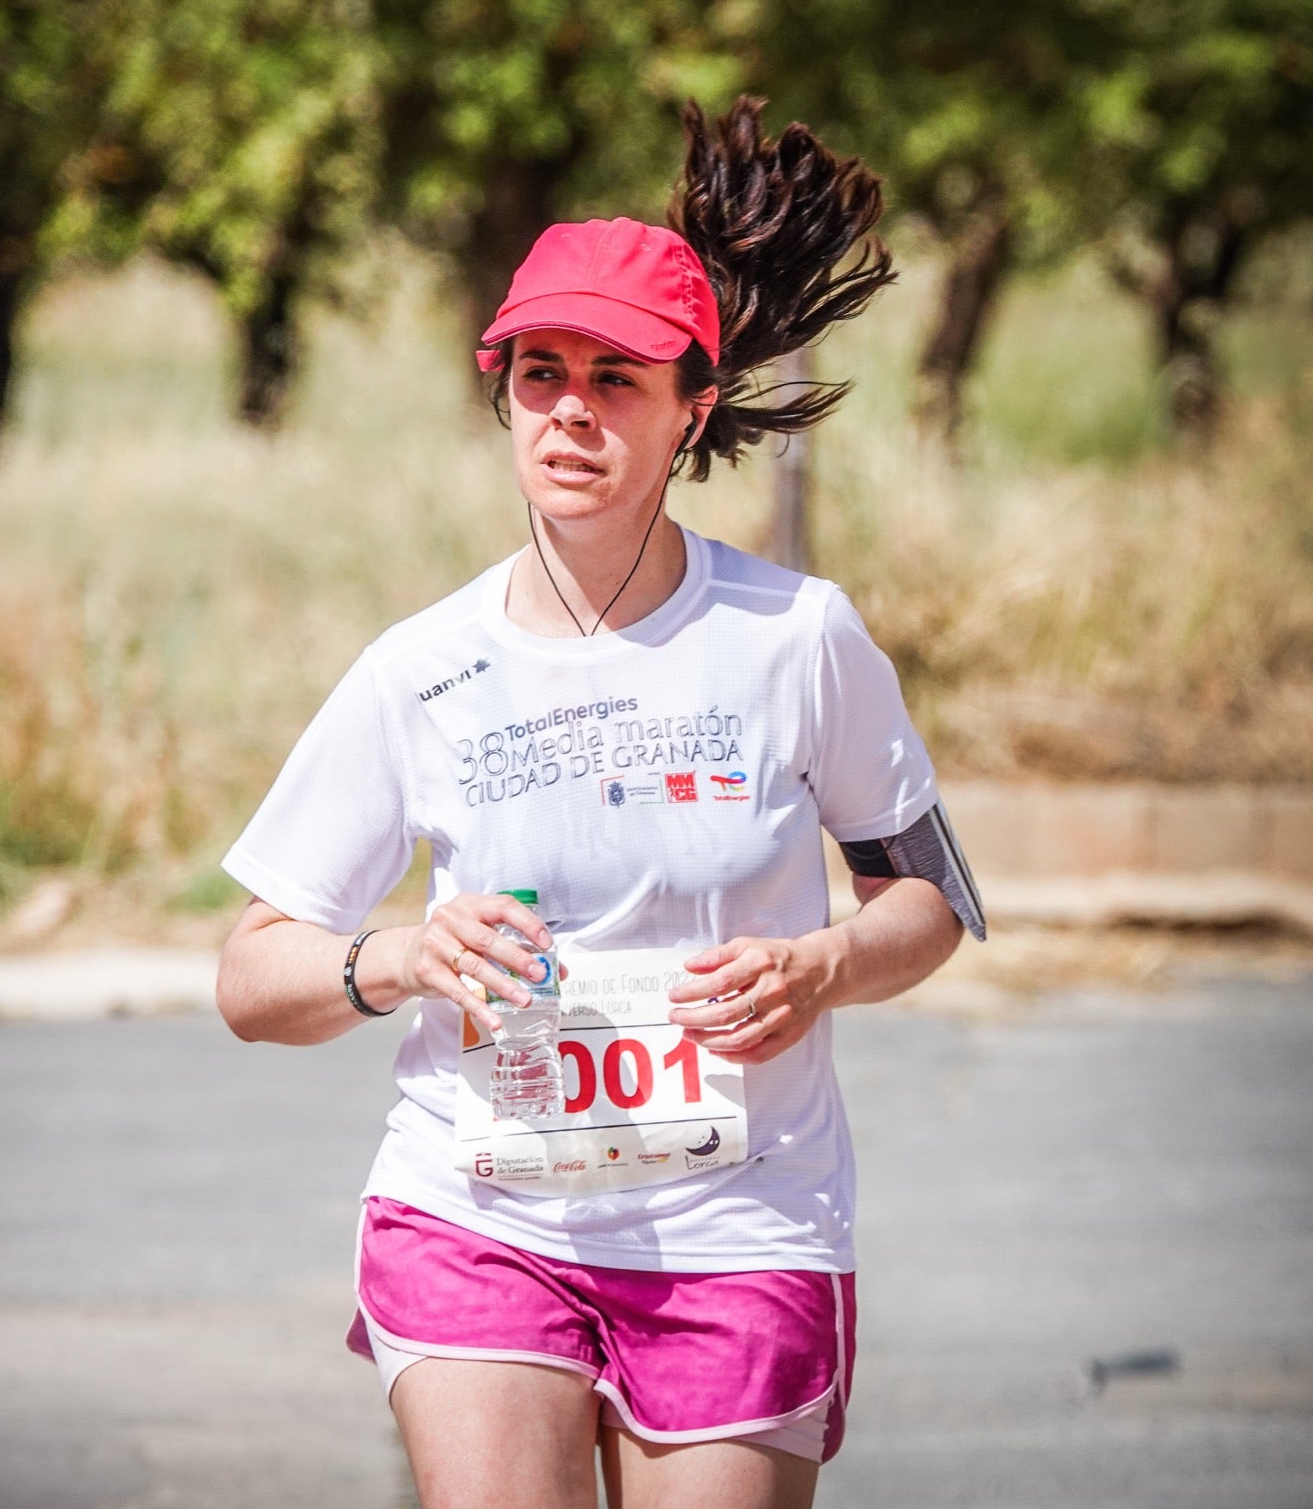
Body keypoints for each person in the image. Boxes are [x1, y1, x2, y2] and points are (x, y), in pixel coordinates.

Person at [216, 96, 986, 1509]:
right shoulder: (420, 671)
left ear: (695, 404)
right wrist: (393, 960)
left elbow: (932, 902)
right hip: (476, 1208)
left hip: (740, 1222)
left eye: (617, 378)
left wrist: (824, 966)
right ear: (499, 391)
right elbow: (254, 979)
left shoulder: (795, 637)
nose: (570, 409)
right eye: (539, 373)